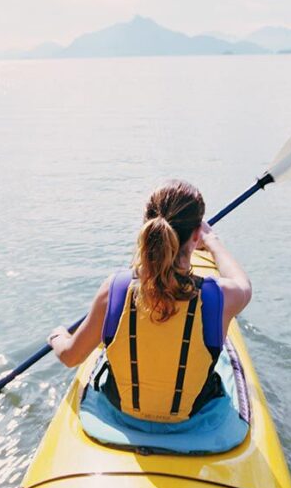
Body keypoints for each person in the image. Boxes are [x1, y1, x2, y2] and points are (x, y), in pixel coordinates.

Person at [47, 180, 253, 423]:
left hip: (121, 410)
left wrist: (57, 337)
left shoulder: (115, 289)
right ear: (196, 236)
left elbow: (71, 357)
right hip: (193, 414)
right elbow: (243, 283)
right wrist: (213, 242)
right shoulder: (221, 296)